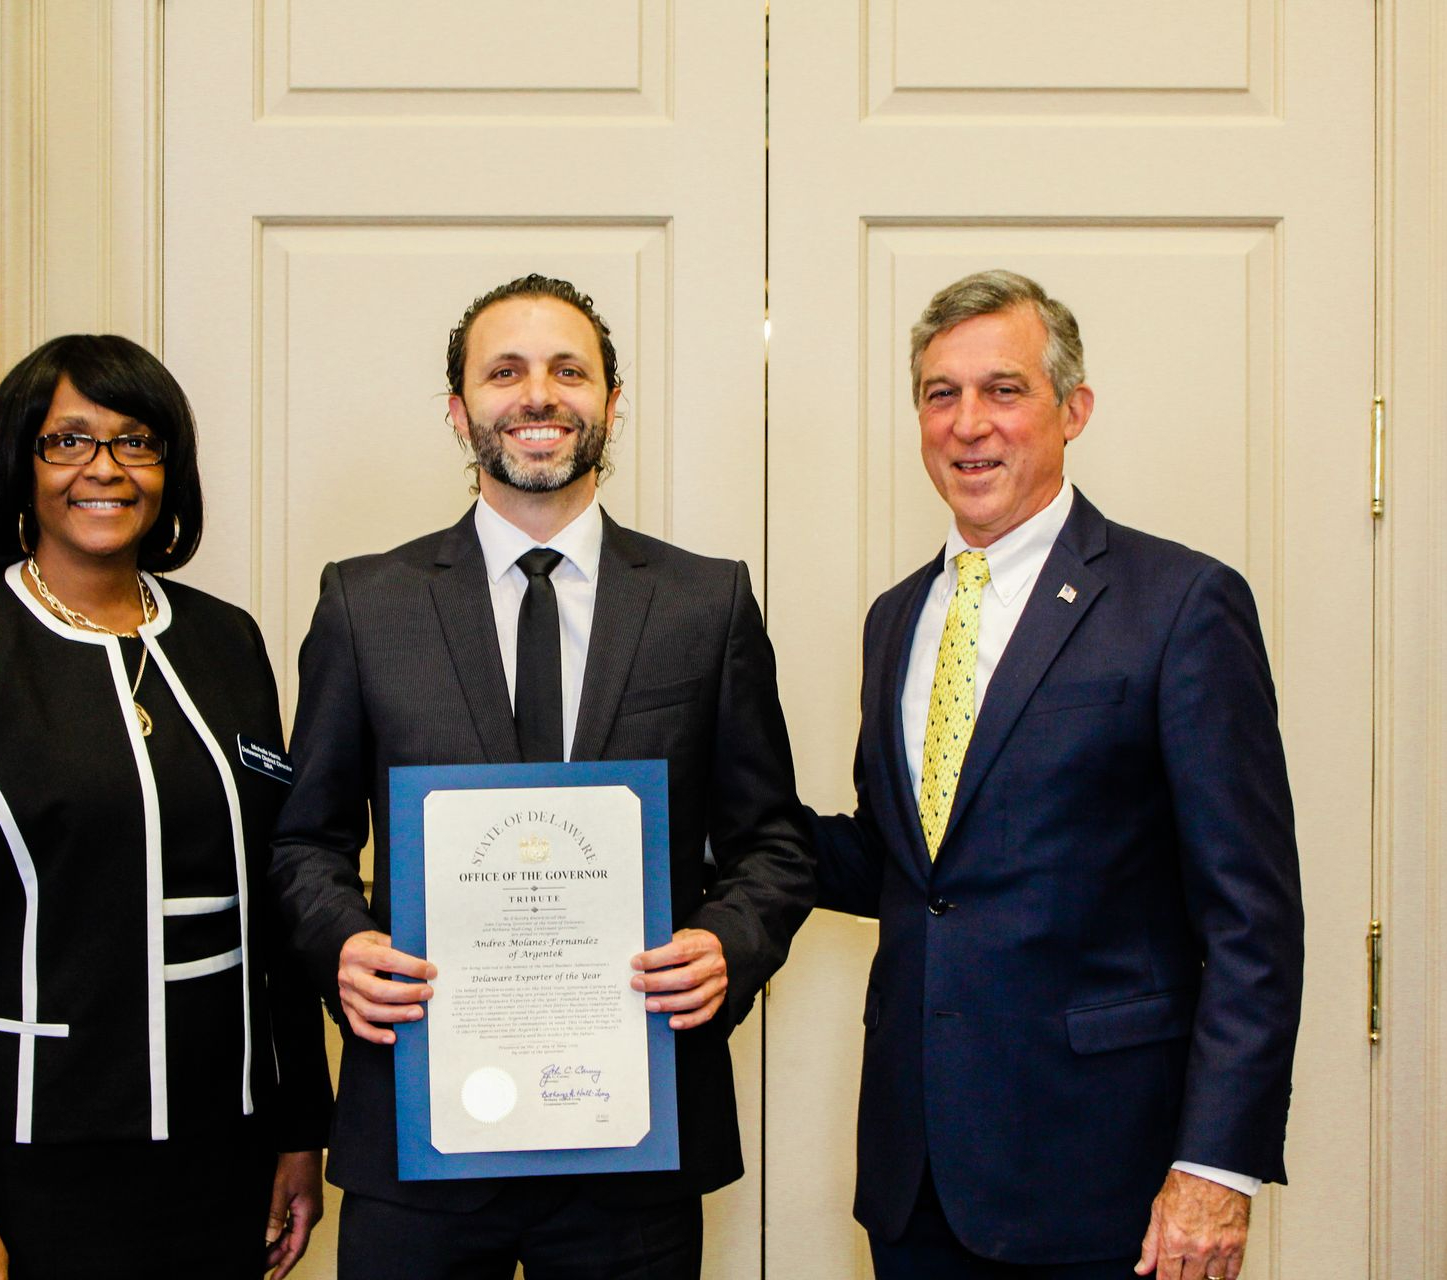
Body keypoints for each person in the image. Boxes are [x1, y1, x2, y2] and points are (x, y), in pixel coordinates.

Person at [269, 274, 813, 1279]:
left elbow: (774, 839)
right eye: (505, 370)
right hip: (418, 1125)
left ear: (612, 403)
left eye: (570, 371)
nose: (538, 395)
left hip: (631, 1139)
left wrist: (727, 944)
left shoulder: (707, 602)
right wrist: (343, 945)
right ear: (457, 408)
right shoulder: (365, 603)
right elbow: (305, 838)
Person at [807, 271, 1304, 1280]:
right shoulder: (896, 618)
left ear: (1072, 410)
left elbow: (1251, 915)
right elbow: (909, 866)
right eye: (941, 394)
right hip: (916, 1178)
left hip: (1106, 1179)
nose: (968, 423)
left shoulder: (1180, 602)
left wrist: (1217, 1162)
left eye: (1004, 389)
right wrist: (707, 811)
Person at [0, 335, 332, 1279]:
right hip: (31, 1165)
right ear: (18, 467)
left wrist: (297, 1131)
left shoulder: (225, 642)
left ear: (169, 469)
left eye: (136, 441)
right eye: (68, 441)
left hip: (219, 1154)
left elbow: (276, 912)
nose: (105, 469)